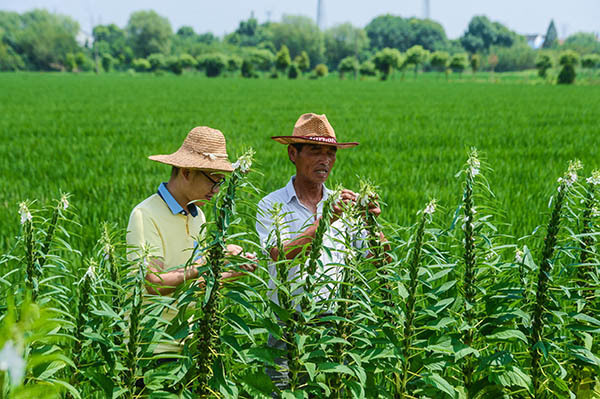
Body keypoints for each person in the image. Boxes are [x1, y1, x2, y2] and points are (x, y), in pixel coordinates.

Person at [255, 113, 386, 390]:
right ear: (293, 153)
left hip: (334, 323)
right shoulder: (271, 204)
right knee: (285, 392)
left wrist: (373, 222)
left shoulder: (344, 205)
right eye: (315, 151)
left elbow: (381, 259)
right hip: (286, 323)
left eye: (331, 153)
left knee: (331, 391)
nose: (325, 160)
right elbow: (279, 255)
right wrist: (325, 220)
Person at [127, 126, 256, 353]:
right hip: (150, 347)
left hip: (187, 344)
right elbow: (153, 284)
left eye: (220, 182)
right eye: (213, 181)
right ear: (186, 172)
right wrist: (210, 261)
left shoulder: (198, 216)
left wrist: (233, 272)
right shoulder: (145, 215)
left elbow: (194, 283)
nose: (216, 190)